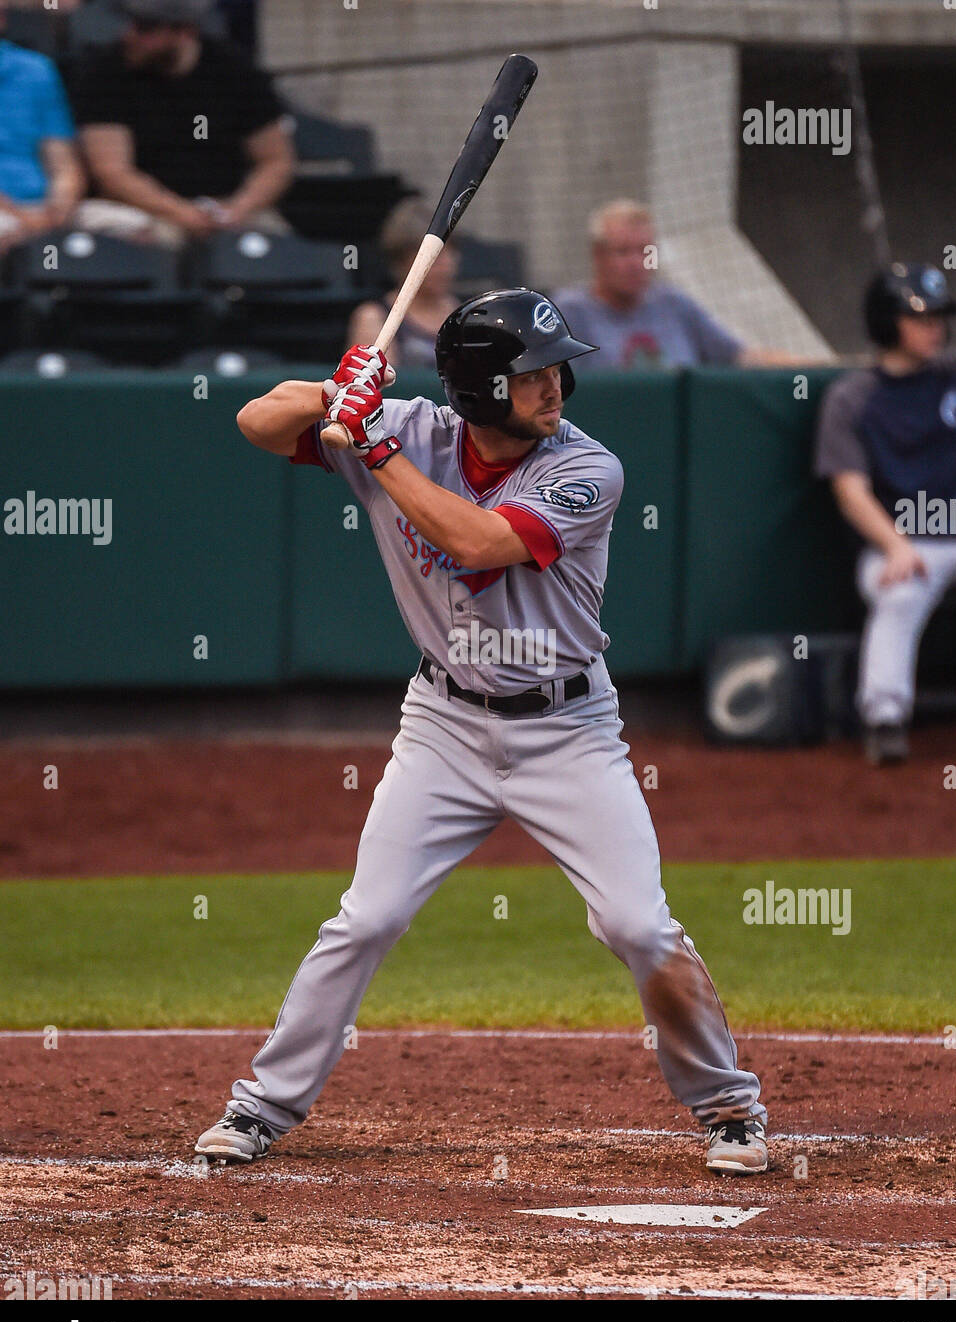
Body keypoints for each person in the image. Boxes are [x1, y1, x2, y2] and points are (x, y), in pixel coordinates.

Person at [194, 289, 769, 1177]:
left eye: (555, 367)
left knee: (637, 928)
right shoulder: (410, 426)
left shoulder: (587, 467)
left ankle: (728, 1104)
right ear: (481, 391)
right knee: (366, 917)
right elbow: (252, 422)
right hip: (444, 727)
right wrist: (329, 395)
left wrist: (372, 441)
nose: (556, 385)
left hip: (569, 728)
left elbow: (477, 541)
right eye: (533, 372)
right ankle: (260, 1109)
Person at [814, 263, 956, 765]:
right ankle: (885, 721)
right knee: (898, 595)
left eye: (939, 316)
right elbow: (850, 491)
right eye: (919, 317)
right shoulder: (852, 397)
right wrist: (896, 545)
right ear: (887, 322)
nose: (934, 327)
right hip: (901, 540)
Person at [69, 0, 294, 248]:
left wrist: (239, 208)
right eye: (131, 24)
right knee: (139, 239)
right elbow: (112, 172)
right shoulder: (106, 72)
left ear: (185, 32)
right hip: (144, 209)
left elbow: (275, 161)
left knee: (272, 247)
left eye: (146, 29)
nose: (130, 35)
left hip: (226, 205)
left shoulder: (234, 68)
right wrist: (182, 213)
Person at [553, 199, 796, 370]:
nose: (636, 263)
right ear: (598, 255)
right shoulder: (570, 312)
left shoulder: (673, 303)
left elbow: (740, 357)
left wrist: (814, 366)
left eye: (645, 251)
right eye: (623, 252)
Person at [0, 0, 84, 253]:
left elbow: (64, 163)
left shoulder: (36, 70)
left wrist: (59, 208)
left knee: (138, 232)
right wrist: (19, 217)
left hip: (42, 208)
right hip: (9, 215)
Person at [345, 197, 461, 369]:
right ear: (401, 262)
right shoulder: (374, 317)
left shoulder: (465, 315)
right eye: (434, 257)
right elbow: (372, 387)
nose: (445, 264)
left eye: (448, 253)